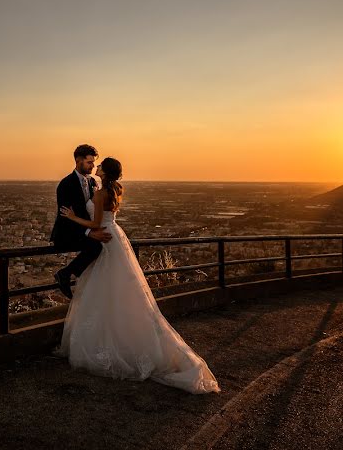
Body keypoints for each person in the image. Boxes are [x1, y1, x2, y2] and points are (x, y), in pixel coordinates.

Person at [55, 157, 220, 394]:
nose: (96, 167)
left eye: (99, 165)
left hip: (105, 237)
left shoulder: (100, 194)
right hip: (115, 236)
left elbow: (94, 222)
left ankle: (110, 343)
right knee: (119, 290)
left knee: (104, 289)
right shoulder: (113, 190)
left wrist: (71, 217)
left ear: (105, 172)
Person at [50, 144, 112, 299]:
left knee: (103, 247)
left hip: (85, 231)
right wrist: (89, 233)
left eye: (93, 163)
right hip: (68, 233)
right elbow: (65, 216)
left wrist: (93, 230)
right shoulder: (66, 184)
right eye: (89, 162)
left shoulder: (92, 182)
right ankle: (66, 274)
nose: (92, 166)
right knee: (96, 247)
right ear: (78, 161)